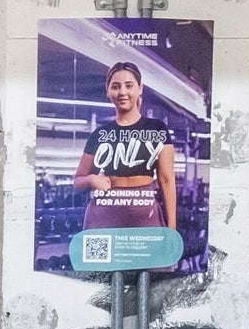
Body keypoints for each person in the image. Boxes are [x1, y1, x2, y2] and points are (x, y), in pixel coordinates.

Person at [73, 61, 183, 235]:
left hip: (145, 216)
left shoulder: (157, 129)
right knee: (100, 263)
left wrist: (172, 228)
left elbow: (167, 180)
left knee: (154, 263)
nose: (122, 92)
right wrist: (91, 179)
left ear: (140, 89)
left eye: (129, 86)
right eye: (115, 86)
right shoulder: (99, 135)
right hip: (103, 216)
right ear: (108, 91)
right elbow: (78, 180)